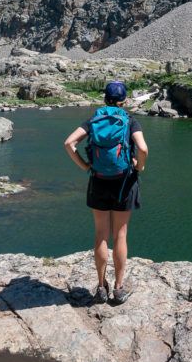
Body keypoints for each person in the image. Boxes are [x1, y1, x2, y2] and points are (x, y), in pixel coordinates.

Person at [63, 80, 148, 305]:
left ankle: (101, 287)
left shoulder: (94, 119)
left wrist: (84, 166)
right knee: (120, 234)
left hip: (98, 181)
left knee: (101, 234)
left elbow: (69, 143)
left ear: (105, 99)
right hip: (124, 183)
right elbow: (143, 148)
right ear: (124, 101)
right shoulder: (130, 121)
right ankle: (119, 289)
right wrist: (139, 166)